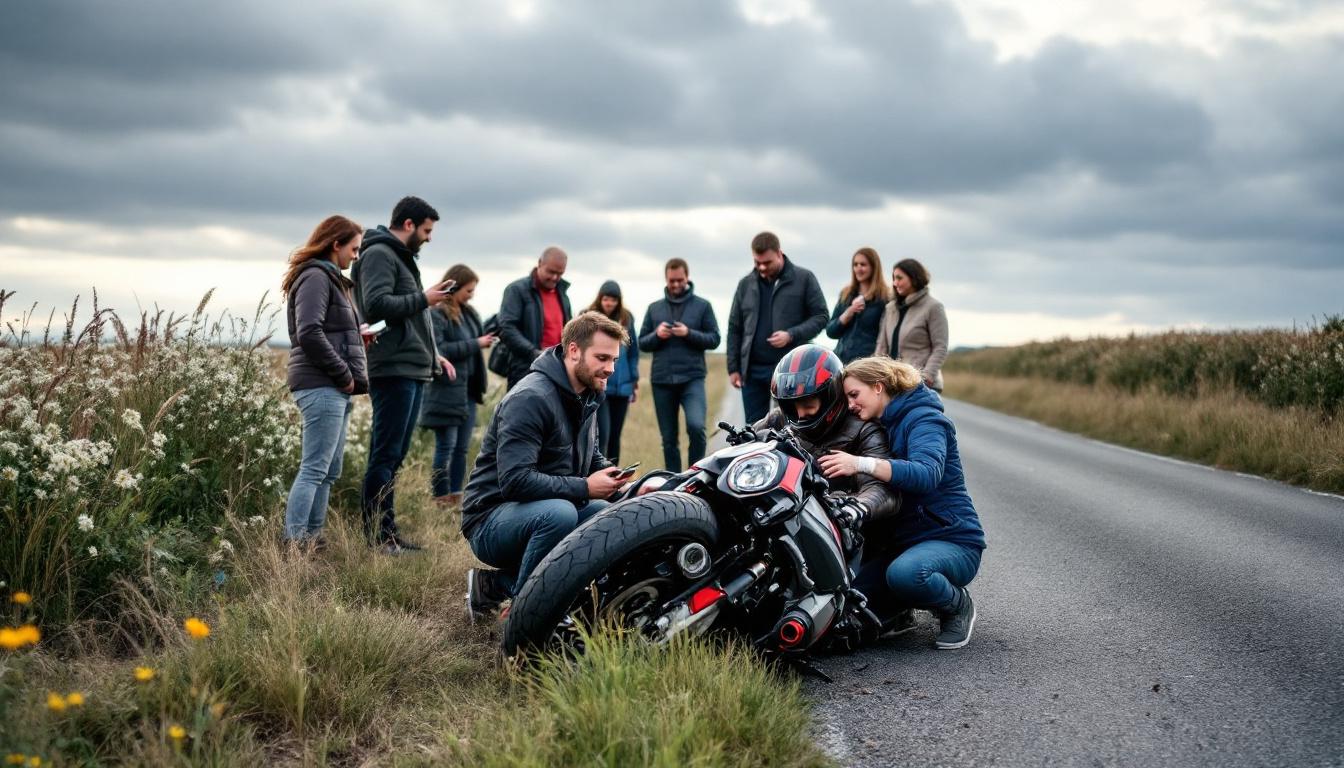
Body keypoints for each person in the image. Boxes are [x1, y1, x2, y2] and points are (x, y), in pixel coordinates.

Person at [460, 312, 630, 622]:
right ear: (574, 350)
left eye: (614, 360)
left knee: (604, 515)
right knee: (560, 514)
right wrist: (585, 487)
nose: (611, 368)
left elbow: (591, 460)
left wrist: (627, 485)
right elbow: (514, 481)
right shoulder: (531, 398)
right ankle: (525, 616)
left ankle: (495, 585)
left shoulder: (587, 395)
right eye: (603, 357)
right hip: (490, 521)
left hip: (538, 510)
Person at [818, 356, 986, 650]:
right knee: (846, 602)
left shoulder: (925, 419)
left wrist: (861, 464)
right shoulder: (882, 424)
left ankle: (957, 606)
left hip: (952, 540)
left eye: (854, 395)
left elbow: (926, 474)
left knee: (907, 575)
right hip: (903, 545)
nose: (851, 405)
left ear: (879, 387)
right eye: (847, 399)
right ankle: (901, 609)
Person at [352, 196, 456, 554]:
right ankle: (377, 537)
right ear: (408, 224)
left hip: (411, 367)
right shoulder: (379, 254)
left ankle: (388, 533)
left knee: (393, 456)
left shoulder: (400, 257)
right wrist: (424, 299)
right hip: (392, 368)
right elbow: (377, 304)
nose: (429, 238)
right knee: (385, 454)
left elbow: (408, 317)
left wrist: (434, 356)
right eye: (426, 230)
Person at [281, 215, 369, 551]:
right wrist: (344, 375)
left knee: (329, 470)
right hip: (322, 385)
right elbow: (309, 333)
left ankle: (313, 540)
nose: (356, 256)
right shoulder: (316, 276)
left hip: (333, 386)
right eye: (354, 249)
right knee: (314, 469)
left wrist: (357, 339)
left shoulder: (333, 280)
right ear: (336, 244)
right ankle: (295, 545)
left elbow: (329, 331)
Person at [726, 231, 829, 423]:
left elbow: (821, 316)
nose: (762, 267)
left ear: (779, 254)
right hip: (752, 371)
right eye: (758, 263)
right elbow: (734, 327)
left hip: (790, 372)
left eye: (767, 262)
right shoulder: (745, 284)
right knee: (754, 429)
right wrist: (733, 368)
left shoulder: (804, 278)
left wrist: (791, 335)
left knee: (788, 426)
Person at [419, 264, 496, 509]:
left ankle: (456, 495)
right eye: (468, 290)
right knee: (446, 446)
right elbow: (439, 351)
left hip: (468, 392)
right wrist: (476, 343)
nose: (471, 295)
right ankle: (440, 497)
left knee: (462, 449)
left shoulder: (469, 314)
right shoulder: (438, 313)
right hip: (447, 390)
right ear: (455, 287)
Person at [639, 258, 720, 472]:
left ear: (687, 277)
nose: (675, 284)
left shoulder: (703, 306)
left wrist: (688, 333)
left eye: (680, 280)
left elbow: (715, 339)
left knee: (696, 427)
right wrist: (657, 335)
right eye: (671, 280)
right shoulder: (654, 308)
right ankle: (674, 482)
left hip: (692, 378)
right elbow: (642, 343)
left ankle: (695, 474)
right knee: (668, 438)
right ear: (666, 279)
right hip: (661, 380)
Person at [495, 247, 573, 389]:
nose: (555, 277)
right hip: (525, 369)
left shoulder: (563, 294)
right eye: (551, 272)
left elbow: (569, 328)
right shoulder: (516, 290)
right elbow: (506, 328)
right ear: (539, 263)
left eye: (560, 274)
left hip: (558, 369)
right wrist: (533, 352)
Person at [874, 259, 949, 392]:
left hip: (922, 385)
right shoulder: (890, 308)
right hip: (893, 383)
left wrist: (926, 377)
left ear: (914, 278)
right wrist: (875, 374)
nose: (895, 283)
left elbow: (940, 347)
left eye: (899, 278)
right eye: (893, 278)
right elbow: (882, 346)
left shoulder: (934, 307)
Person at [589, 280, 638, 465]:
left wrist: (634, 380)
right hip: (600, 385)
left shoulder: (627, 318)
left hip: (623, 387)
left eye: (613, 300)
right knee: (603, 434)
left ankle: (613, 478)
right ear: (600, 298)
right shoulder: (589, 317)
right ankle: (599, 474)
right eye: (606, 298)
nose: (609, 303)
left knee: (616, 435)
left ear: (619, 301)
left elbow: (634, 351)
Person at [826, 247, 891, 363]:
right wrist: (848, 313)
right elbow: (831, 332)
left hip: (866, 364)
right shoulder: (846, 294)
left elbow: (887, 335)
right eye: (855, 265)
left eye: (863, 264)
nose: (858, 268)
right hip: (841, 360)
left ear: (874, 267)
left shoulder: (885, 297)